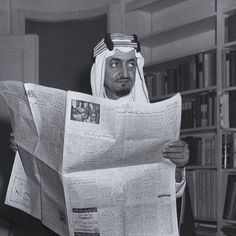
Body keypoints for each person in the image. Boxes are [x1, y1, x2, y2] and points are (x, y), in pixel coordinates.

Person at [91, 33, 189, 195]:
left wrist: (178, 166)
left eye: (131, 65)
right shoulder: (84, 123)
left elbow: (171, 193)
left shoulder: (159, 122)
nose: (125, 73)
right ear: (100, 69)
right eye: (115, 64)